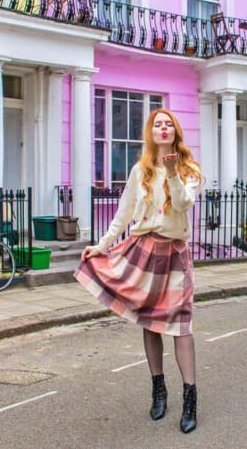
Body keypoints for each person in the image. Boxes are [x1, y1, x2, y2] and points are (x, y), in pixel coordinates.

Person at [75, 108, 202, 433]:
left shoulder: (190, 170)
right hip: (144, 250)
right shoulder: (140, 171)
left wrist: (172, 172)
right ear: (151, 132)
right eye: (157, 124)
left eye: (168, 124)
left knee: (180, 326)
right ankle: (158, 387)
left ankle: (190, 399)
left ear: (175, 131)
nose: (163, 128)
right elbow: (123, 214)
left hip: (174, 254)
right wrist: (102, 246)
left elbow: (184, 204)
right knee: (150, 323)